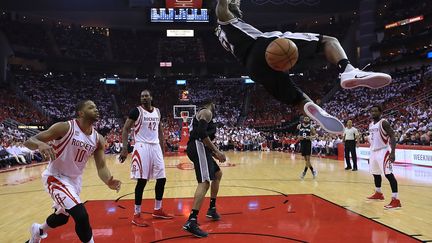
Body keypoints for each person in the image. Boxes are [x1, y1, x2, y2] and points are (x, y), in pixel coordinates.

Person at [215, 0, 392, 134]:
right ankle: (348, 71)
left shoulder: (224, 35)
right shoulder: (226, 20)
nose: (238, 3)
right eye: (235, 1)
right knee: (328, 41)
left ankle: (315, 109)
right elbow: (222, 8)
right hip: (265, 45)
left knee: (296, 98)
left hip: (254, 69)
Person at [24, 100, 122, 243]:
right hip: (55, 177)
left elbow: (101, 167)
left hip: (75, 181)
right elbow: (29, 141)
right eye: (91, 107)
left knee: (62, 218)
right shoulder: (65, 127)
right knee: (81, 215)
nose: (96, 109)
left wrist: (108, 180)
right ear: (80, 113)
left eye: (96, 107)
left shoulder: (98, 139)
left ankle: (38, 230)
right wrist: (40, 144)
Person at [119, 90, 173, 228]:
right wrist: (125, 148)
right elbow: (125, 129)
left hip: (155, 146)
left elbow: (159, 131)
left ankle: (157, 209)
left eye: (146, 95)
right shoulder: (135, 111)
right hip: (141, 146)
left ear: (151, 97)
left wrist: (162, 148)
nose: (144, 98)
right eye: (142, 96)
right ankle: (136, 215)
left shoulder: (157, 111)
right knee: (142, 181)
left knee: (162, 178)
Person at [183, 99, 226, 238]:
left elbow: (202, 134)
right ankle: (192, 220)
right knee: (205, 182)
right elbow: (201, 133)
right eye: (215, 104)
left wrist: (214, 154)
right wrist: (217, 151)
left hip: (200, 147)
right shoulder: (206, 112)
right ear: (211, 104)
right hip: (197, 146)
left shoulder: (203, 114)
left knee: (217, 173)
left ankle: (212, 208)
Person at [366, 105, 401, 209]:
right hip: (374, 151)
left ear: (380, 112)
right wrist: (371, 154)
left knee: (389, 175)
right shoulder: (371, 125)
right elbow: (373, 140)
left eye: (376, 111)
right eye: (372, 111)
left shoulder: (383, 122)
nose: (373, 113)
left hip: (383, 151)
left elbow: (392, 135)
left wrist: (393, 152)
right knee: (375, 173)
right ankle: (378, 193)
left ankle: (396, 200)